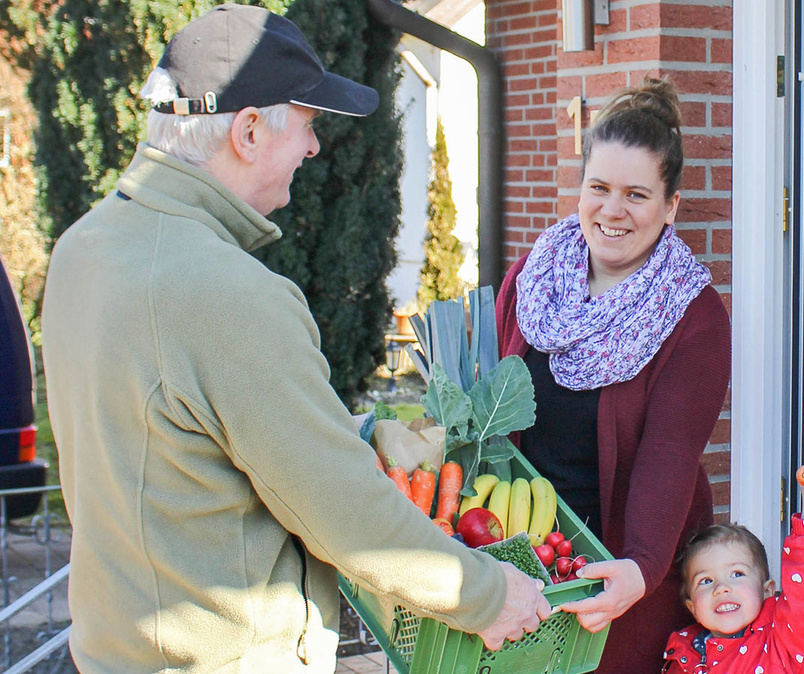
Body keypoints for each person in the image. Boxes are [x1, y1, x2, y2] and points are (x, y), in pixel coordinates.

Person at [40, 5, 548, 671]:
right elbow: (345, 514)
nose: (312, 148)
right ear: (248, 130)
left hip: (112, 648)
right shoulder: (228, 293)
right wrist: (486, 596)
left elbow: (176, 433)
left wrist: (351, 431)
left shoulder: (84, 247)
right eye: (306, 125)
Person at [495, 76, 732, 673]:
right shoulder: (532, 278)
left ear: (670, 206)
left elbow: (670, 454)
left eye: (637, 194)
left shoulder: (692, 315)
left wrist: (643, 566)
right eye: (598, 188)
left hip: (617, 571)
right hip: (519, 558)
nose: (612, 210)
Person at [663, 464, 804, 674]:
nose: (721, 588)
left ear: (767, 591)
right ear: (692, 608)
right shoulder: (683, 657)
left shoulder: (782, 645)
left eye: (737, 574)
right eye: (706, 581)